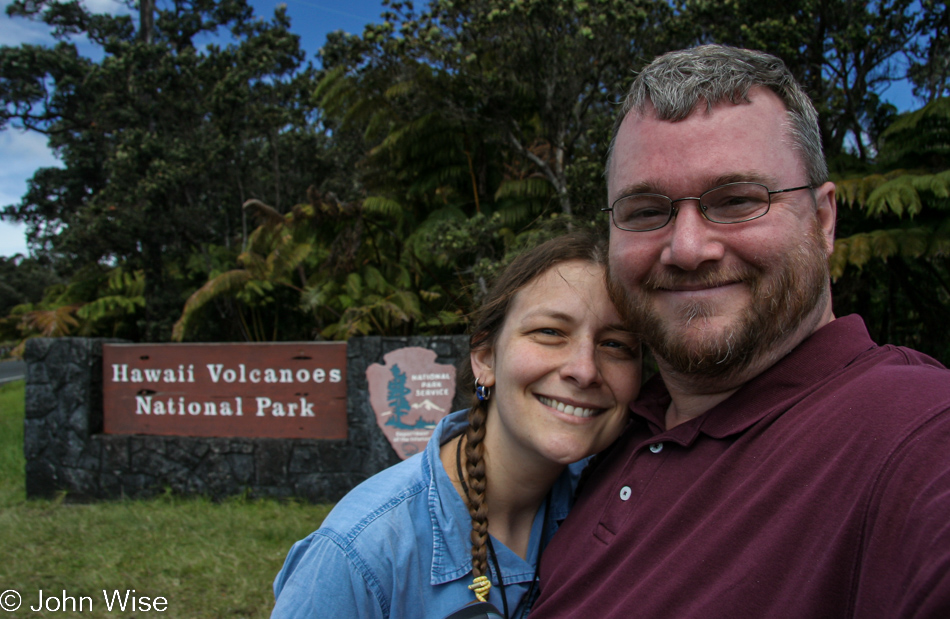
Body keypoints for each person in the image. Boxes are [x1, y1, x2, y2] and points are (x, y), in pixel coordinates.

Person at [530, 45, 950, 618]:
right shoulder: (603, 429)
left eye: (736, 202)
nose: (687, 249)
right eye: (646, 211)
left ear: (823, 220)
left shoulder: (915, 433)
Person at [271, 231, 642, 618]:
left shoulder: (616, 507)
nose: (584, 370)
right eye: (549, 332)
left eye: (616, 344)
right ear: (485, 358)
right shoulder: (361, 552)